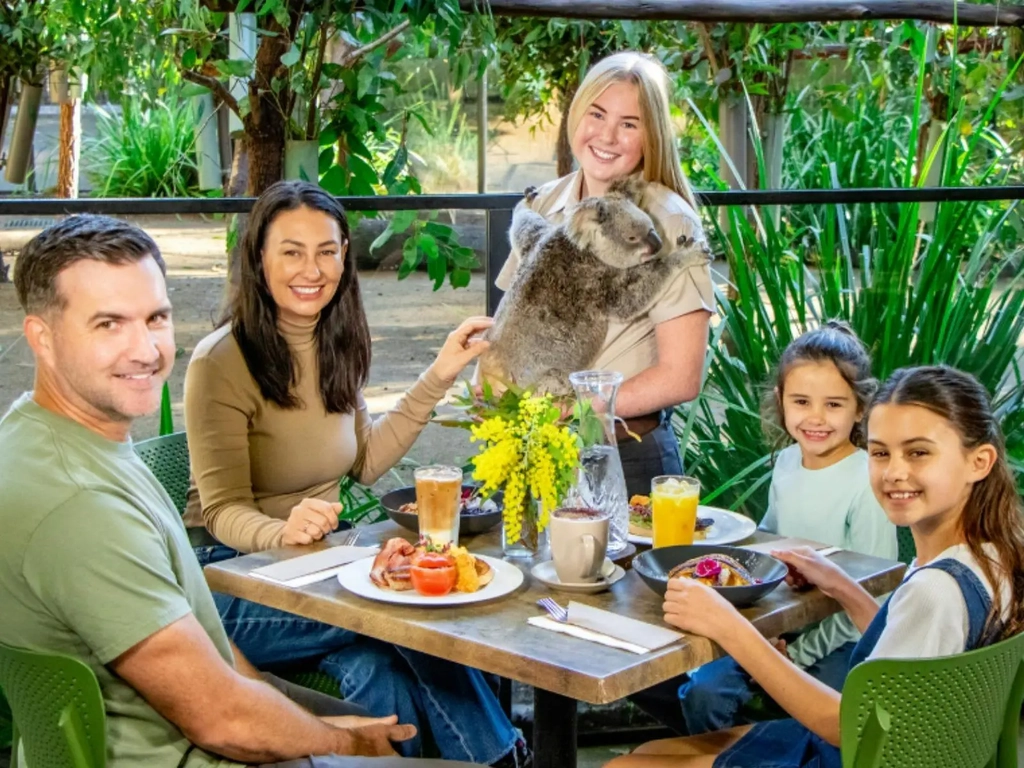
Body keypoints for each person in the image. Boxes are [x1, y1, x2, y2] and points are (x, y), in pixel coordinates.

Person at [0, 213, 485, 768]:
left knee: (379, 670)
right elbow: (223, 720)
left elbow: (203, 639)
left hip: (211, 721)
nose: (144, 349)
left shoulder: (66, 444)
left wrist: (322, 722)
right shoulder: (80, 505)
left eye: (156, 318)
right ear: (42, 337)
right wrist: (345, 742)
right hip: (199, 746)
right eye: (108, 324)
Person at [182, 181, 526, 767]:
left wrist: (441, 372)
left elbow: (365, 461)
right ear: (258, 257)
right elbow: (218, 511)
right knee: (402, 613)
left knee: (380, 670)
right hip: (229, 583)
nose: (311, 268)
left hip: (320, 565)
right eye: (291, 251)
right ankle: (507, 758)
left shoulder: (336, 340)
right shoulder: (221, 361)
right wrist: (280, 530)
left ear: (346, 254)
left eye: (326, 250)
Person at [606, 364, 1024, 767]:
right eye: (880, 453)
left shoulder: (935, 592)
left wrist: (730, 628)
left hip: (856, 752)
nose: (895, 472)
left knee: (625, 766)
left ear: (979, 462)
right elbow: (909, 661)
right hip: (899, 752)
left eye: (918, 452)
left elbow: (846, 727)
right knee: (646, 754)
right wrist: (843, 587)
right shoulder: (985, 558)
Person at [633, 322, 898, 734]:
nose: (815, 418)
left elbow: (872, 597)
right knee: (704, 692)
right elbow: (769, 545)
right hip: (779, 626)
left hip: (842, 639)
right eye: (801, 401)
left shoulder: (866, 481)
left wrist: (800, 653)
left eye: (833, 405)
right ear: (781, 401)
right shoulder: (788, 462)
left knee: (824, 718)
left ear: (860, 408)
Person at [490, 51, 714, 498]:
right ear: (576, 113)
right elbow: (506, 325)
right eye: (597, 114)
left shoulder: (669, 225)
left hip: (622, 448)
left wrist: (569, 409)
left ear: (652, 136)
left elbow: (681, 376)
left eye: (629, 123)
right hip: (529, 446)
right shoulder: (542, 205)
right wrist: (497, 402)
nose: (607, 135)